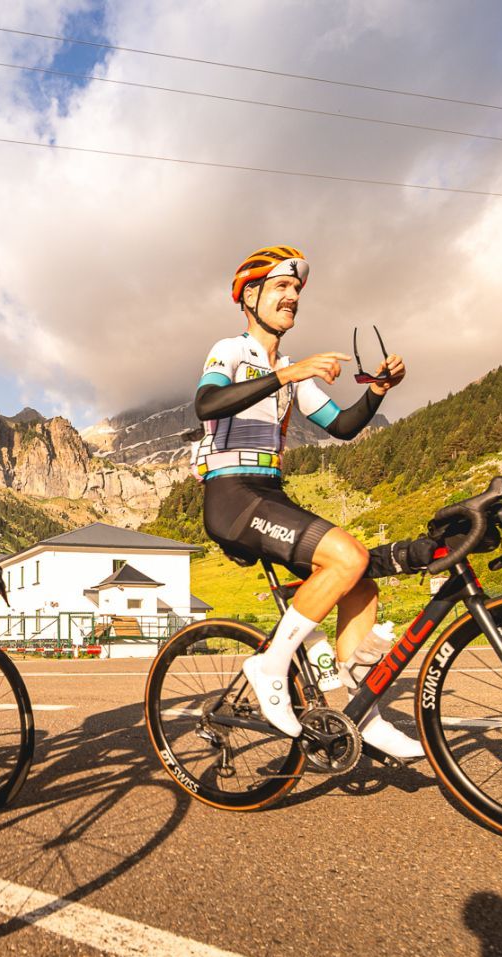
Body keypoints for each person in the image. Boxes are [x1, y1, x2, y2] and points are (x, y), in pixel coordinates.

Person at [192, 245, 426, 760]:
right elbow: (206, 403)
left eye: (296, 289)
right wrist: (287, 376)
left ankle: (362, 714)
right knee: (348, 556)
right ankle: (269, 667)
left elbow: (342, 426)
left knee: (358, 580)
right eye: (281, 286)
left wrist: (379, 390)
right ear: (249, 297)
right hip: (232, 495)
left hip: (269, 493)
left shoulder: (289, 368)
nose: (292, 296)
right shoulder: (231, 350)